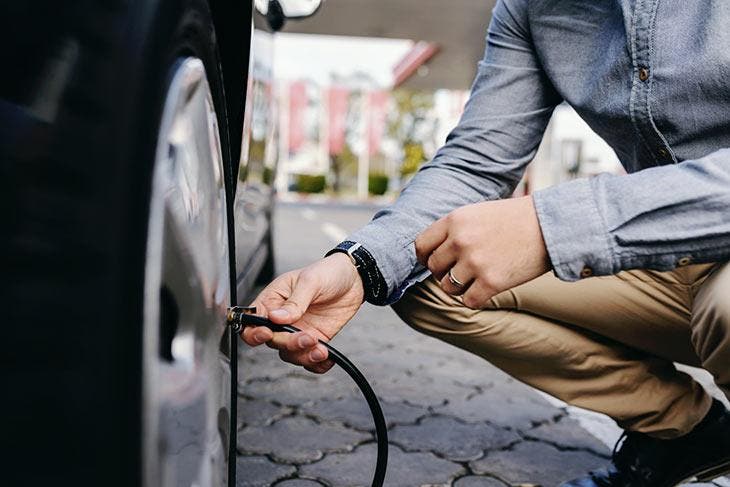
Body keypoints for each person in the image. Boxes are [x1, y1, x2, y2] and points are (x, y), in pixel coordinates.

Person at [241, 0, 730, 484]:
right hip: (667, 264)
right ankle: (685, 433)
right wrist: (356, 267)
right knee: (429, 267)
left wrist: (550, 227)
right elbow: (474, 162)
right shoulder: (532, 10)